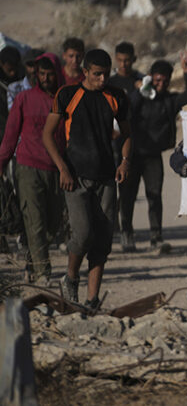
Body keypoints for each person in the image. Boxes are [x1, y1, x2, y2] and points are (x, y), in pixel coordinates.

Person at [42, 49, 130, 309]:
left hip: (106, 177)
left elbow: (127, 134)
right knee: (82, 234)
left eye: (106, 74)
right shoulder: (67, 94)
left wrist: (125, 161)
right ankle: (70, 277)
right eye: (97, 74)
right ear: (85, 72)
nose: (102, 79)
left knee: (102, 241)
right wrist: (62, 168)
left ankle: (92, 300)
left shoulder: (116, 96)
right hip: (75, 177)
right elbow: (47, 135)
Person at [119, 54, 187, 252]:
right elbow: (127, 110)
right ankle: (126, 234)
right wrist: (140, 91)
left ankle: (156, 237)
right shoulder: (139, 97)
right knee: (127, 196)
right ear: (151, 78)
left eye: (164, 81)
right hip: (132, 155)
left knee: (154, 196)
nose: (160, 84)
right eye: (157, 80)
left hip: (153, 156)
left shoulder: (169, 101)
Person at [0, 54, 65, 284]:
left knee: (52, 224)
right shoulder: (24, 99)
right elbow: (10, 135)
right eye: (42, 74)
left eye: (50, 74)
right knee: (35, 220)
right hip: (28, 167)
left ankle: (31, 258)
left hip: (57, 168)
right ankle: (42, 273)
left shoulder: (64, 99)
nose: (46, 79)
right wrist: (1, 163)